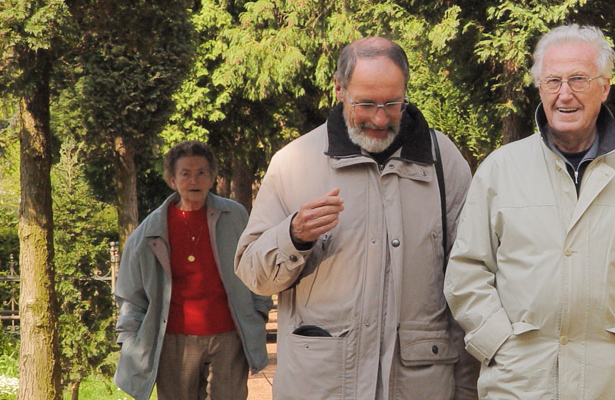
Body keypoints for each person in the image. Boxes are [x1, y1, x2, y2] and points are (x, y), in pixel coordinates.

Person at [444, 24, 615, 400]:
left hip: (612, 383)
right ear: (539, 88)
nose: (564, 94)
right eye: (552, 81)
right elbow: (467, 272)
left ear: (605, 87)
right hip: (519, 383)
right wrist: (497, 343)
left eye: (578, 79)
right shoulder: (500, 168)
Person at [234, 37, 479, 399]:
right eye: (365, 104)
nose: (379, 119)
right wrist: (293, 236)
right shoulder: (293, 163)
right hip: (322, 387)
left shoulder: (444, 163)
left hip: (420, 387)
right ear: (339, 89)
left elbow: (470, 282)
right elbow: (253, 274)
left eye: (393, 103)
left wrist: (467, 389)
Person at [114, 141, 272, 400]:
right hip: (175, 342)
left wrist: (259, 312)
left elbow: (258, 265)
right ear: (172, 181)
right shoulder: (149, 232)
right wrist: (129, 339)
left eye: (201, 173)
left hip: (228, 337)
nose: (194, 180)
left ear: (212, 178)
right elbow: (130, 293)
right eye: (185, 173)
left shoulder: (235, 217)